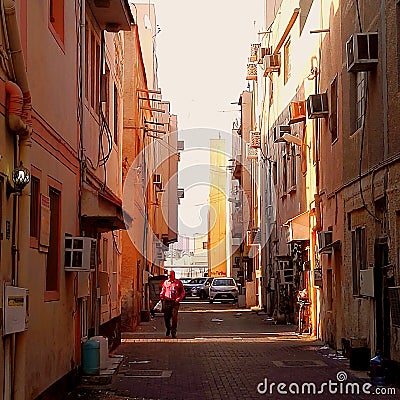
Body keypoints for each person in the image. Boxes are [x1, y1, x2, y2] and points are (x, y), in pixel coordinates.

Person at [160, 270, 185, 338]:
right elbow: (163, 291)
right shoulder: (165, 283)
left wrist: (179, 298)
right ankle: (168, 328)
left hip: (175, 303)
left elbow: (182, 292)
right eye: (168, 275)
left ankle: (173, 332)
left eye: (170, 275)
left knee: (174, 318)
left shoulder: (178, 283)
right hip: (167, 301)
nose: (169, 277)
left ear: (173, 275)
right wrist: (161, 296)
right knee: (166, 318)